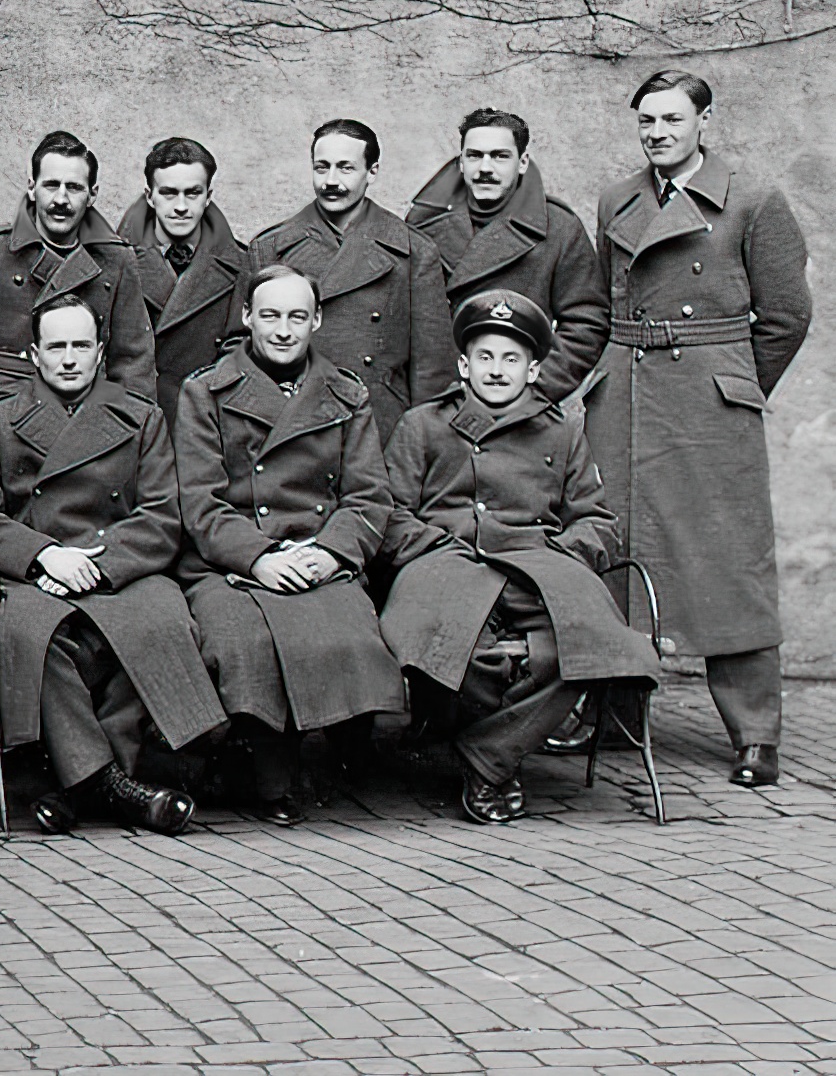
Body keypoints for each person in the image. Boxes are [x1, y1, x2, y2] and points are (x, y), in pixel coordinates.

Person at [582, 69, 811, 788]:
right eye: (646, 121)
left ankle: (754, 734)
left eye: (672, 119)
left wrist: (734, 386)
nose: (657, 133)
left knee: (728, 559)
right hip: (625, 388)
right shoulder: (617, 199)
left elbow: (785, 317)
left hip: (708, 401)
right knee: (615, 545)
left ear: (704, 121)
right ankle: (616, 713)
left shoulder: (753, 198)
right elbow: (601, 298)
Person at [380, 291, 660, 824]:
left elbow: (597, 521)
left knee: (584, 649)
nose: (497, 370)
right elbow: (389, 512)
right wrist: (435, 545)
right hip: (448, 564)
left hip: (536, 569)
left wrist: (560, 551)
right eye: (485, 357)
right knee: (453, 648)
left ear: (533, 370)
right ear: (464, 365)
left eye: (511, 359)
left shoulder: (561, 430)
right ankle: (494, 756)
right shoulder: (424, 425)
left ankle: (486, 757)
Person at [0, 294, 224, 835]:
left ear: (101, 353)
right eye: (57, 347)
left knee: (165, 622)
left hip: (118, 570)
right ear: (34, 355)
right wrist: (45, 555)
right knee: (26, 632)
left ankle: (83, 784)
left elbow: (161, 516)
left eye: (82, 345)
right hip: (32, 574)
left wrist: (96, 566)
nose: (70, 358)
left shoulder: (140, 416)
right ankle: (111, 786)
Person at [177, 265, 403, 825]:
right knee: (243, 639)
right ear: (249, 318)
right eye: (271, 315)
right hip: (230, 561)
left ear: (317, 321)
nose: (283, 330)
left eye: (297, 317)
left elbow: (370, 499)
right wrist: (260, 557)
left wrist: (329, 554)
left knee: (345, 633)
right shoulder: (205, 392)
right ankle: (269, 775)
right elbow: (200, 503)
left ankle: (324, 759)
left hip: (318, 554)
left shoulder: (347, 394)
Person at [0, 130, 155, 464]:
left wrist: (130, 450)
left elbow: (133, 364)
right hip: (8, 430)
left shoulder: (117, 261)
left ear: (92, 194)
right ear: (31, 187)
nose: (61, 200)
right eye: (51, 185)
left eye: (75, 188)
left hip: (92, 428)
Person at [236, 120, 449, 439]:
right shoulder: (269, 248)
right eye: (322, 168)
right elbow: (240, 351)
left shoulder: (413, 251)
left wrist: (423, 443)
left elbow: (432, 367)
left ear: (372, 172)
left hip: (381, 424)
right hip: (291, 424)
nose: (330, 181)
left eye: (345, 168)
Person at [404, 108, 608, 400]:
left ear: (522, 162)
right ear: (461, 162)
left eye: (500, 156)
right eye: (474, 155)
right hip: (438, 400)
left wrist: (530, 390)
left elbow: (587, 323)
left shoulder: (559, 228)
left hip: (518, 403)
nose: (485, 168)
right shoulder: (421, 222)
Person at [116, 137, 245, 411]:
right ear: (149, 196)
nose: (182, 207)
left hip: (206, 417)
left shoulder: (243, 265)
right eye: (169, 193)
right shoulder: (113, 262)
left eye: (193, 193)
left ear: (208, 196)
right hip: (136, 414)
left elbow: (241, 351)